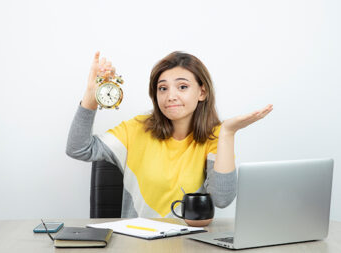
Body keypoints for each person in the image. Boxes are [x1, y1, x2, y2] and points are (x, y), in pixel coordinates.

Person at [66, 51, 273, 218]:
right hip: (136, 243)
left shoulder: (214, 137)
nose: (170, 96)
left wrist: (228, 133)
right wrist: (91, 97)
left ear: (202, 92)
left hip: (189, 244)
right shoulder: (136, 128)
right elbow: (78, 149)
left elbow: (222, 199)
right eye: (162, 88)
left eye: (182, 86)